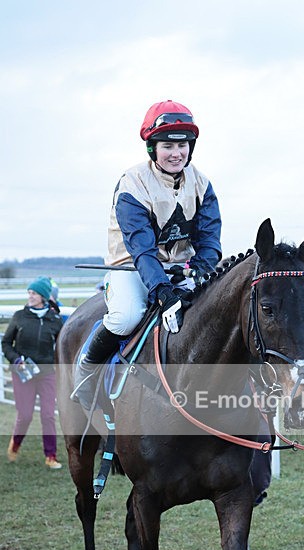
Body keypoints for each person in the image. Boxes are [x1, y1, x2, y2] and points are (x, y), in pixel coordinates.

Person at [74, 100, 222, 409]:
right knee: (126, 316)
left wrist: (202, 271)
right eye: (167, 145)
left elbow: (209, 238)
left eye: (182, 145)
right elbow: (141, 247)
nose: (176, 153)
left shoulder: (203, 183)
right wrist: (163, 291)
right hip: (131, 268)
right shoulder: (132, 184)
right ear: (152, 148)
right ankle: (86, 370)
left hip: (179, 268)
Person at [2, 276, 64, 468]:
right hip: (23, 373)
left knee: (47, 415)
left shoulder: (54, 319)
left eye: (34, 293)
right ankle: (15, 444)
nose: (30, 296)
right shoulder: (19, 316)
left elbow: (61, 347)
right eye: (29, 292)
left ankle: (51, 456)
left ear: (44, 296)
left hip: (47, 374)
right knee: (26, 415)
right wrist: (16, 359)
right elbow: (6, 343)